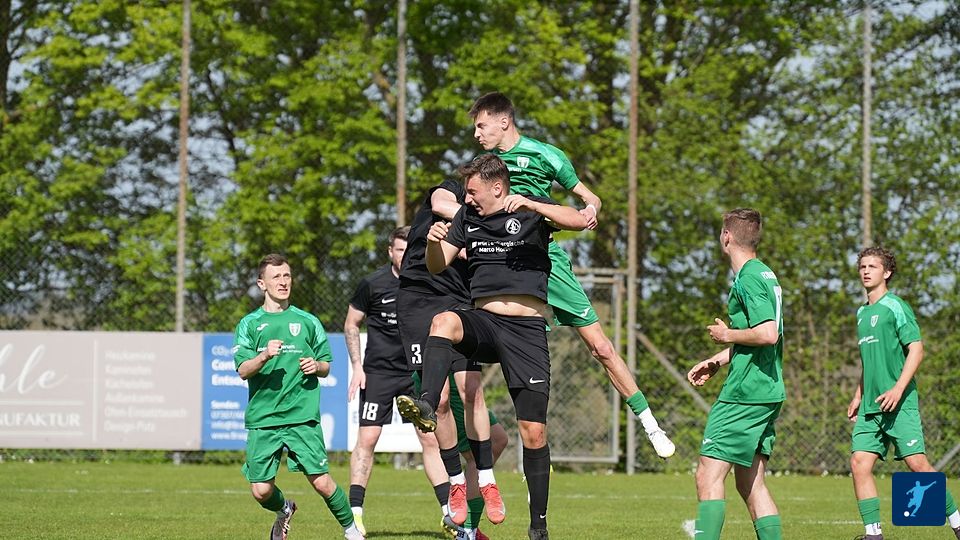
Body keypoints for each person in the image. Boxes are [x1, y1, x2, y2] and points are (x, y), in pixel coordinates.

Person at [469, 91, 674, 458]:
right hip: (497, 261)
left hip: (544, 257)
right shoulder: (484, 167)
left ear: (504, 121)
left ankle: (650, 424)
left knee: (601, 347)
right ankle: (480, 443)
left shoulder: (546, 155)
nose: (477, 134)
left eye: (481, 126)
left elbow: (590, 198)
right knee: (464, 342)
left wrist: (591, 210)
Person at [399, 153, 589, 540]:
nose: (466, 199)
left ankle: (538, 527)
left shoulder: (532, 210)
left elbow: (580, 219)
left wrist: (535, 205)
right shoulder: (467, 218)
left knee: (533, 432)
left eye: (472, 192)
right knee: (443, 321)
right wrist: (434, 243)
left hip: (526, 331)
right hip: (485, 322)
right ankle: (426, 404)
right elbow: (437, 265)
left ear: (497, 187)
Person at [397, 177, 511, 540]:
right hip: (419, 301)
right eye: (474, 190)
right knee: (440, 400)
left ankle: (483, 488)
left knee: (471, 389)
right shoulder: (453, 193)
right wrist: (482, 222)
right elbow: (440, 203)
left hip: (459, 304)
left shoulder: (487, 222)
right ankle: (456, 485)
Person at [233, 253, 363, 540]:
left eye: (287, 276)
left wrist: (316, 366)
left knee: (322, 482)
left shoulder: (308, 321)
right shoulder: (249, 324)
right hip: (264, 418)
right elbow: (243, 370)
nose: (283, 282)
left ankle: (353, 531)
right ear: (262, 284)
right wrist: (264, 355)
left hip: (301, 417)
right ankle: (285, 509)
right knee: (261, 490)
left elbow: (326, 365)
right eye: (276, 277)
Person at [845, 246, 960, 540]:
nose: (866, 271)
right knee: (859, 463)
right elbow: (869, 362)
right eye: (862, 266)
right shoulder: (861, 313)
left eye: (872, 266)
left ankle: (958, 523)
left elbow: (917, 350)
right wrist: (858, 394)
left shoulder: (896, 306)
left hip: (900, 403)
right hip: (871, 407)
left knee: (917, 464)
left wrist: (898, 389)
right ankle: (873, 534)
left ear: (887, 273)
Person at [345, 226, 451, 536]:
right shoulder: (372, 284)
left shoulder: (428, 281)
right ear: (390, 251)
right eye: (400, 250)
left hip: (416, 372)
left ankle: (449, 514)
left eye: (410, 250)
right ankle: (355, 516)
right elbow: (351, 323)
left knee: (430, 439)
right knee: (367, 439)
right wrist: (357, 367)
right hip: (378, 373)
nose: (405, 256)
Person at [686, 209, 784, 540]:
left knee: (707, 475)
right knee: (750, 482)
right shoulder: (765, 274)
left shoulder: (749, 278)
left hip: (746, 392)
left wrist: (727, 335)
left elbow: (768, 333)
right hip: (766, 388)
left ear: (726, 236)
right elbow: (760, 337)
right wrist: (718, 360)